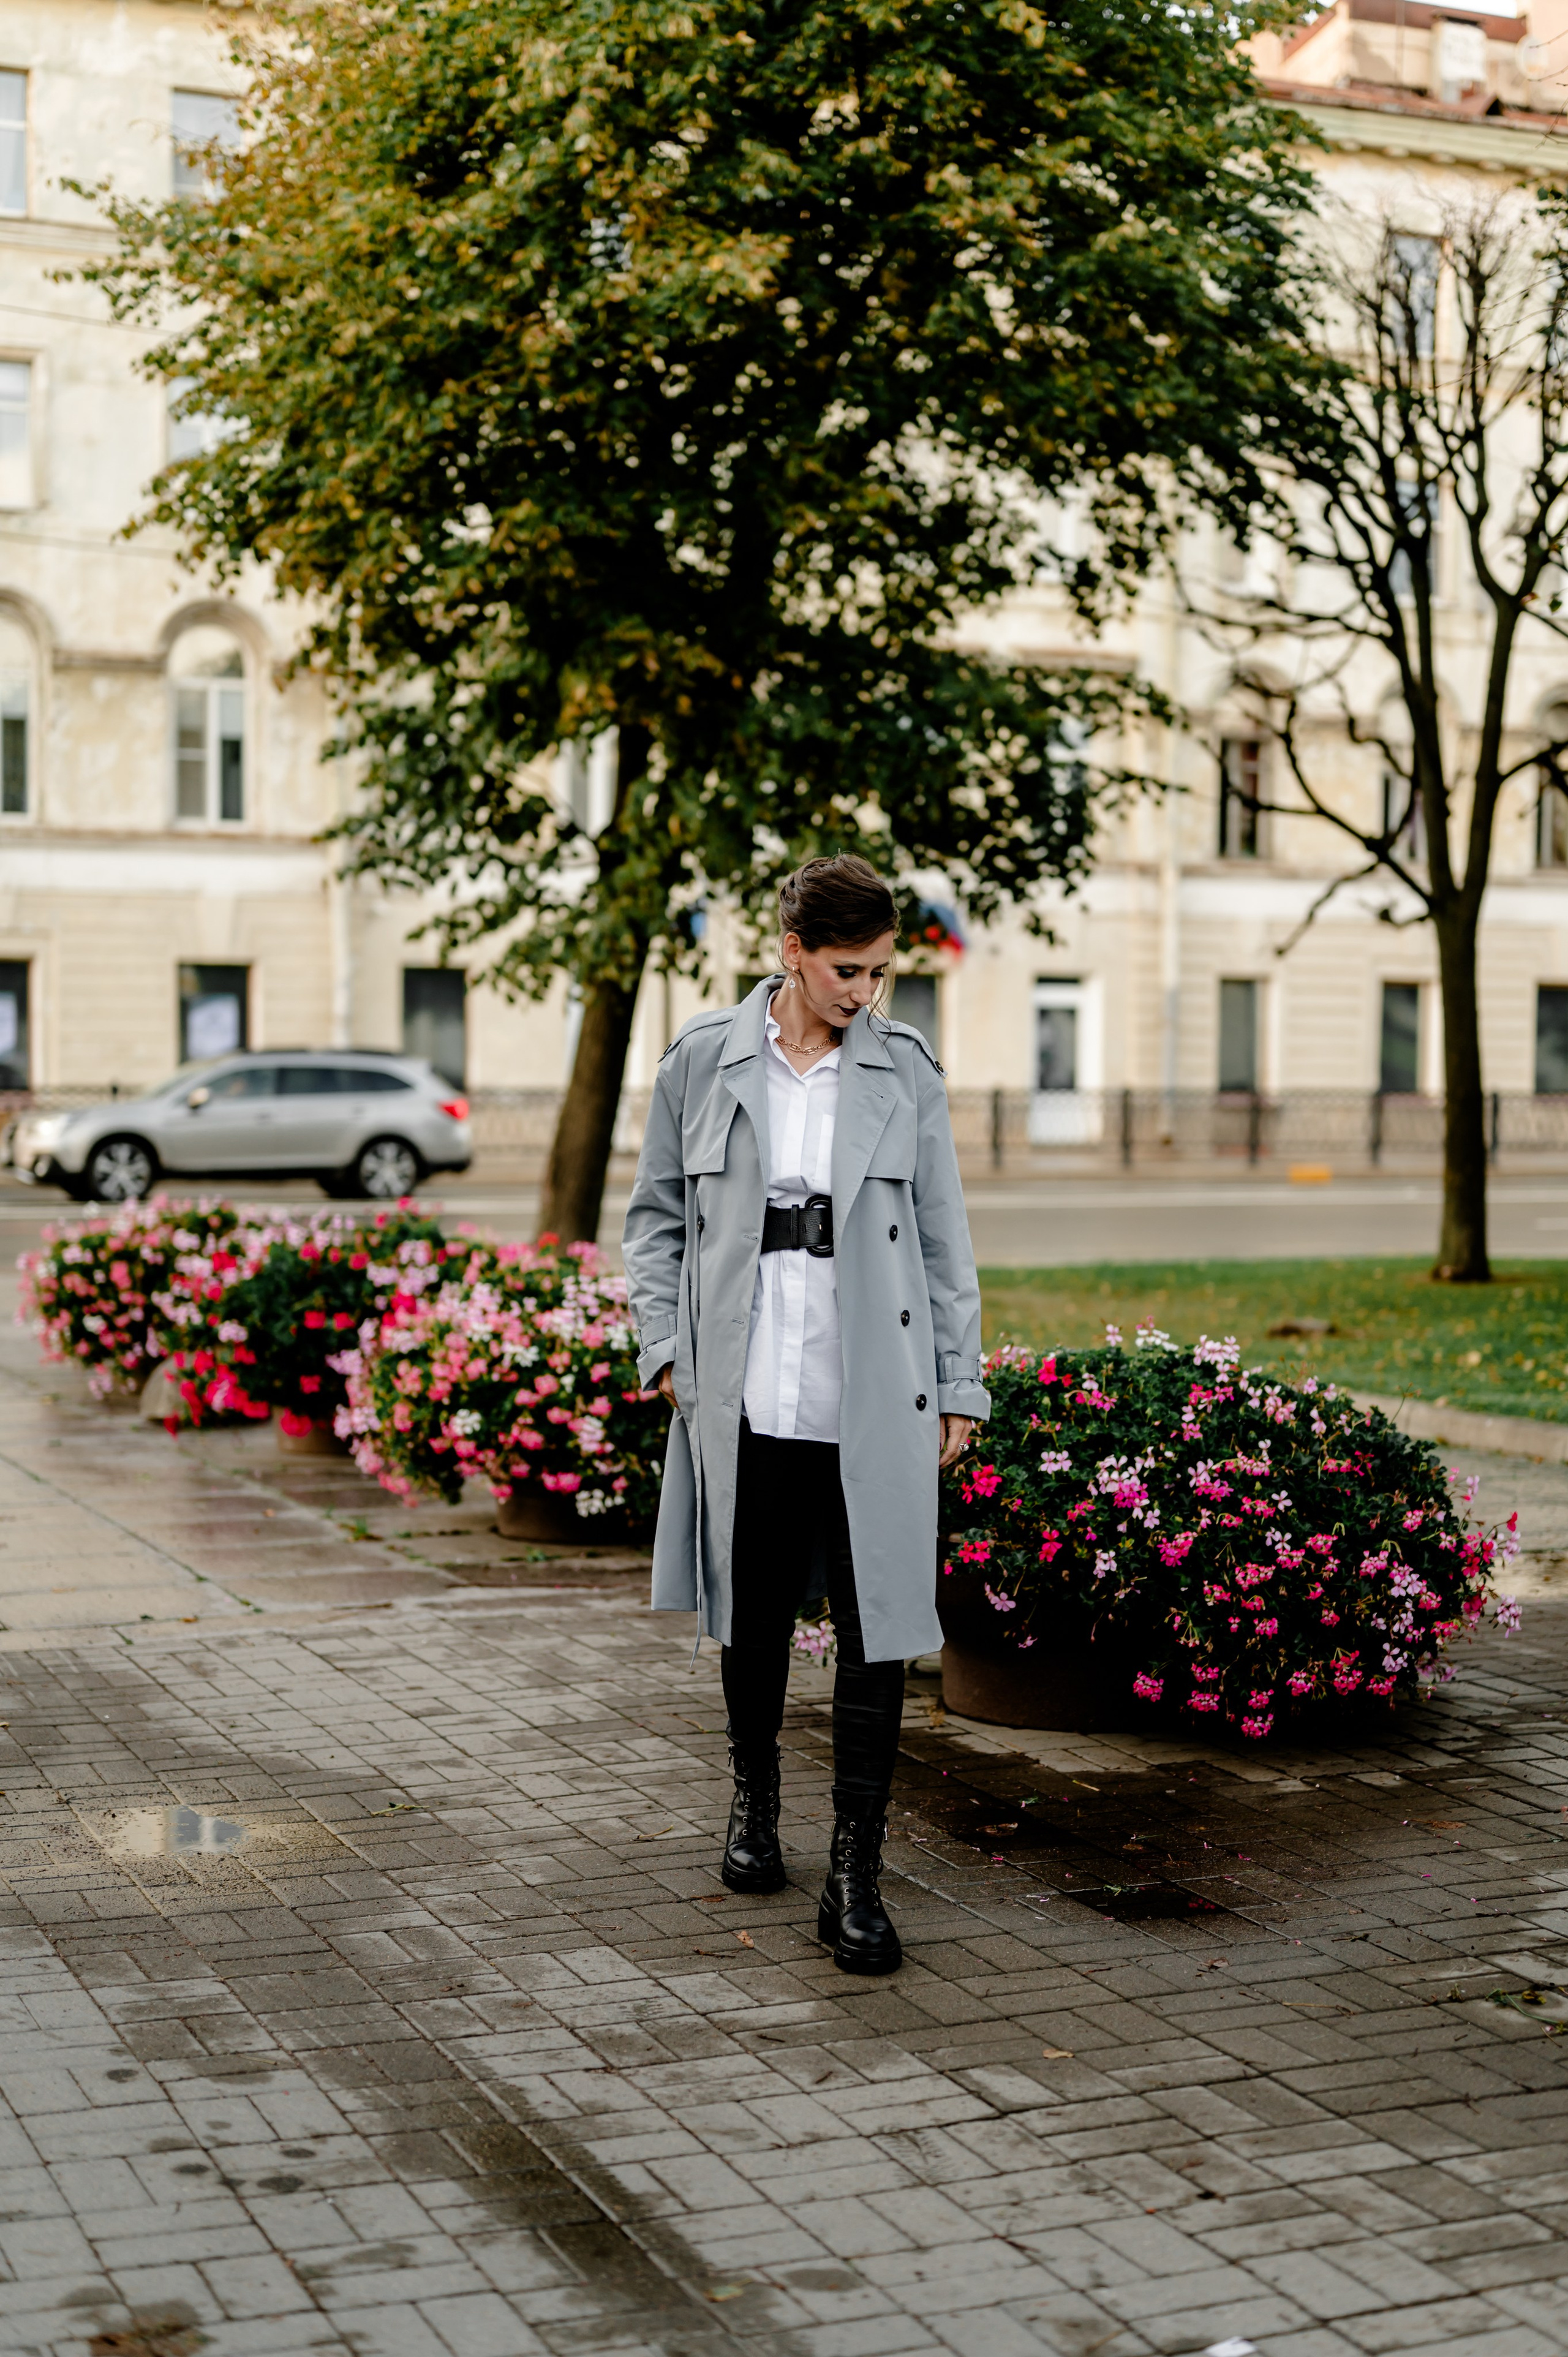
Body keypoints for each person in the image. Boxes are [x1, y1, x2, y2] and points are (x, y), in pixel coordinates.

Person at [622, 853, 989, 1975]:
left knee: (880, 1625)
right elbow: (652, 1227)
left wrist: (961, 1382)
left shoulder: (905, 1073)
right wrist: (668, 1353)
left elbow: (942, 1241)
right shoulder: (702, 1064)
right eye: (846, 970)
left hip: (871, 1390)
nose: (864, 991)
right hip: (744, 1390)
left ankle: (856, 1874)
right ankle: (753, 1804)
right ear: (790, 951)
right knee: (755, 1611)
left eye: (879, 972)